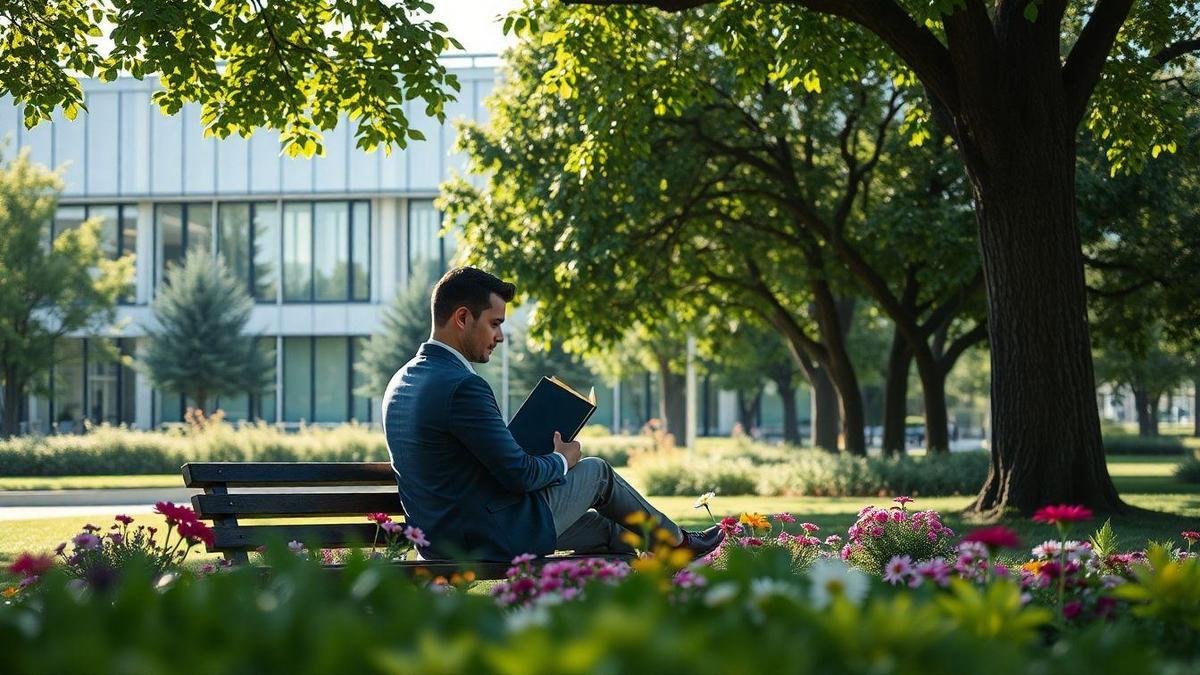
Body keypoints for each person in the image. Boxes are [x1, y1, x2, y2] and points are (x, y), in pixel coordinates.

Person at [382, 266, 724, 562]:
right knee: (597, 472)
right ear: (462, 318)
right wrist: (561, 459)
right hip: (488, 537)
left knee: (614, 533)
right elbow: (518, 475)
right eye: (495, 323)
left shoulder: (400, 382)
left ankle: (622, 600)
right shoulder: (462, 386)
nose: (500, 336)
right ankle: (679, 544)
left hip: (444, 539)